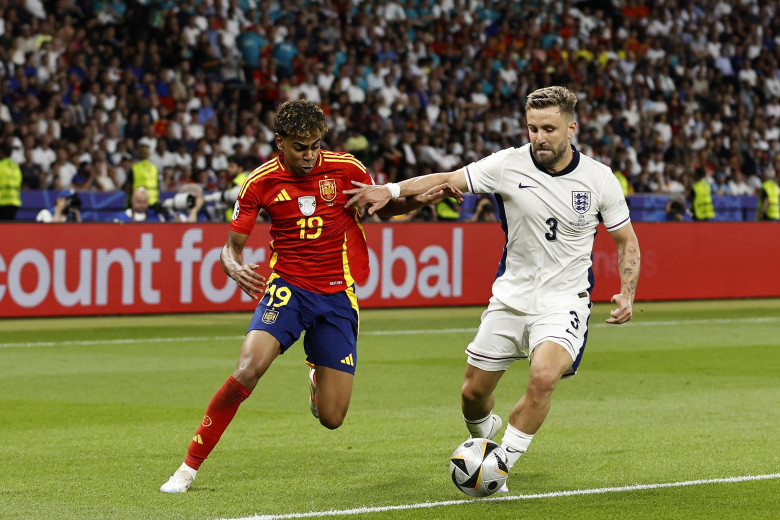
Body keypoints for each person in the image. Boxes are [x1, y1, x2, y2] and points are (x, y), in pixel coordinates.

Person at [345, 86, 641, 486]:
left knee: (543, 376)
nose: (539, 137)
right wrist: (391, 189)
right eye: (533, 128)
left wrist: (627, 292)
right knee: (472, 394)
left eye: (549, 129)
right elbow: (448, 178)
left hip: (563, 300)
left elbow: (627, 241)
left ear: (572, 128)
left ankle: (500, 466)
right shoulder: (507, 164)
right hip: (510, 296)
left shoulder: (599, 179)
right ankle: (484, 442)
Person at [159, 99, 459, 493]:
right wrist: (230, 265)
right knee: (248, 369)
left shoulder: (347, 168)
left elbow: (383, 208)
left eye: (316, 144)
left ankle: (316, 376)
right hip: (288, 291)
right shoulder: (260, 182)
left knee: (332, 418)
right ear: (279, 142)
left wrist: (422, 199)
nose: (310, 154)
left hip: (337, 298)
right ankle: (187, 467)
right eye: (301, 146)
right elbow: (231, 248)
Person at [0, 142, 22, 221]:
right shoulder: (16, 167)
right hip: (14, 201)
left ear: (1, 152)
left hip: (2, 201)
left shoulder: (1, 165)